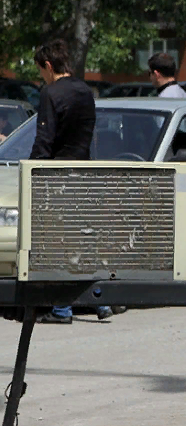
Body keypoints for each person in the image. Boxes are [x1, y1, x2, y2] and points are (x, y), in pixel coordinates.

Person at [29, 40, 113, 324]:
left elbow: (45, 138)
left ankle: (62, 309)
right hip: (84, 172)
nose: (42, 75)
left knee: (60, 242)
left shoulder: (50, 93)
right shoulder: (84, 91)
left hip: (58, 175)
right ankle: (100, 302)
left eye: (41, 70)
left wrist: (32, 170)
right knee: (85, 239)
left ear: (48, 66)